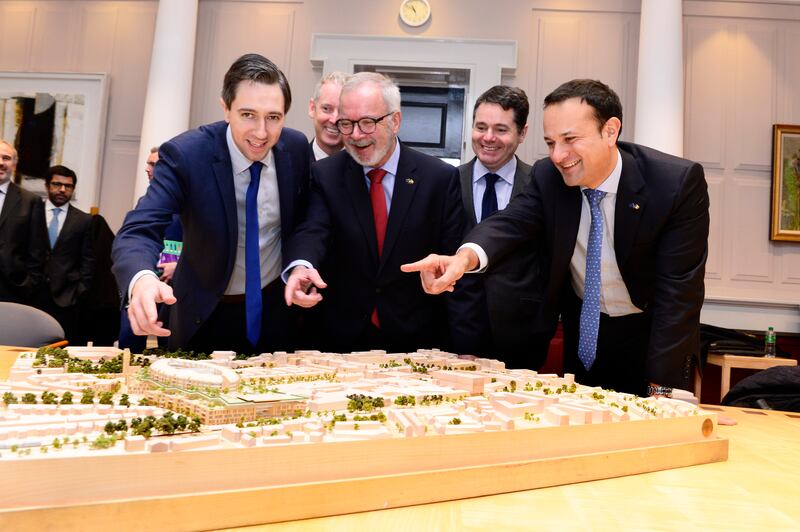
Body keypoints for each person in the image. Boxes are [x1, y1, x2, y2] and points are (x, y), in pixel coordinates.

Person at [403, 79, 710, 397]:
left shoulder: (674, 184)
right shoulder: (549, 177)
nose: (559, 155)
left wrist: (662, 389)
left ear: (610, 131)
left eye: (570, 139)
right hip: (586, 338)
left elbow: (679, 297)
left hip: (652, 338)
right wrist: (462, 259)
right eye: (550, 143)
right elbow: (511, 223)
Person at [112, 53, 310, 354]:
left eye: (273, 117)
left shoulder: (294, 149)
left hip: (276, 309)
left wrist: (301, 263)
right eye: (247, 114)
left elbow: (308, 219)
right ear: (226, 108)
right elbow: (139, 228)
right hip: (204, 314)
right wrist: (141, 279)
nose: (261, 132)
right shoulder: (186, 155)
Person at [283, 72, 466, 353]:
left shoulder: (439, 179)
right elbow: (313, 229)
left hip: (417, 343)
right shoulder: (325, 174)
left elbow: (454, 263)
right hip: (339, 342)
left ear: (395, 120)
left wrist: (462, 344)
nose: (356, 135)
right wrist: (302, 266)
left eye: (367, 123)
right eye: (347, 124)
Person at [455, 85, 551, 368]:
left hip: (522, 337)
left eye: (500, 129)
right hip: (454, 334)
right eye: (480, 127)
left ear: (522, 133)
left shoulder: (542, 185)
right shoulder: (447, 182)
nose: (488, 138)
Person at [118, 145, 183, 352]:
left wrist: (179, 265)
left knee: (169, 345)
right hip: (147, 280)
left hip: (176, 288)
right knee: (129, 340)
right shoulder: (144, 202)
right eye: (148, 163)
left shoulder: (189, 202)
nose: (148, 169)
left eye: (154, 164)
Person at [35, 165, 94, 341]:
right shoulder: (32, 211)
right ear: (47, 186)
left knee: (61, 346)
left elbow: (88, 260)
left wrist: (80, 290)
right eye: (56, 184)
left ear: (73, 189)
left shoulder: (84, 220)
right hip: (32, 292)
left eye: (67, 186)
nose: (62, 189)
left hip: (67, 297)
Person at [0, 140, 45, 304]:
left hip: (13, 292)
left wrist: (28, 286)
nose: (1, 163)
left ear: (14, 165)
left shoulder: (31, 201)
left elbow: (38, 252)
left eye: (6, 158)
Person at [308, 71, 350, 161]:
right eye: (326, 109)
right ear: (312, 108)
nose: (334, 120)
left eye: (342, 112)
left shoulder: (364, 169)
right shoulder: (293, 166)